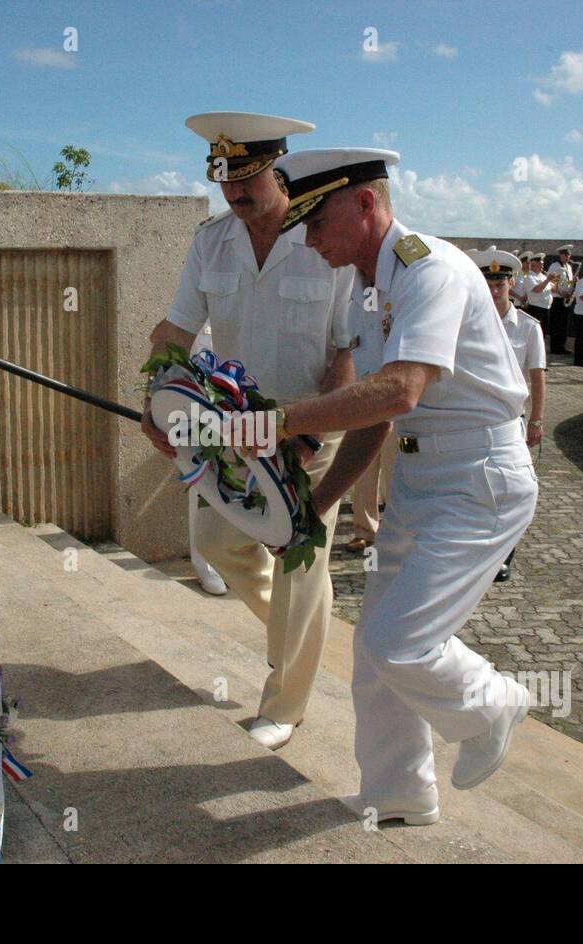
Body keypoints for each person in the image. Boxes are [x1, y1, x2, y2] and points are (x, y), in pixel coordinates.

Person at [245, 147, 538, 823]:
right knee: (373, 654)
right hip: (423, 478)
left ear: (365, 204)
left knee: (399, 643)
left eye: (316, 223)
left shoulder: (430, 271)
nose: (309, 240)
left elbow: (400, 390)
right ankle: (399, 795)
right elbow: (377, 416)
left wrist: (276, 422)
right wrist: (314, 507)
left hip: (478, 480)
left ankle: (493, 704)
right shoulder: (371, 286)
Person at [139, 112, 357, 750]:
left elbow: (347, 349)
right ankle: (297, 635)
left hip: (312, 421)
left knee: (300, 557)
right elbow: (174, 333)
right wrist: (154, 404)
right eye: (225, 180)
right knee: (220, 544)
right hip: (230, 423)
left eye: (248, 178)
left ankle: (285, 704)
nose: (235, 195)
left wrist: (313, 433)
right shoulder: (212, 242)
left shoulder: (324, 239)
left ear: (279, 169)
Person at [469, 247, 546, 584]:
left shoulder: (528, 328)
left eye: (500, 283)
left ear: (511, 283)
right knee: (476, 488)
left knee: (511, 492)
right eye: (488, 282)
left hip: (511, 421)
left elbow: (538, 376)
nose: (494, 289)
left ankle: (503, 557)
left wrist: (538, 420)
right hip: (473, 420)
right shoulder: (469, 323)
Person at [188, 323, 228, 595]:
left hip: (246, 413)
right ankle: (205, 564)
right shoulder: (197, 316)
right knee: (202, 484)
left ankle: (242, 556)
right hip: (204, 412)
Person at [344, 423, 398, 553]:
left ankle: (395, 532)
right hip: (367, 411)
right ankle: (364, 531)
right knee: (363, 473)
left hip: (396, 413)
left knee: (393, 470)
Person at [546, 244, 575, 355]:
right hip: (557, 298)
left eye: (568, 255)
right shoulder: (555, 266)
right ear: (560, 255)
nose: (567, 257)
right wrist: (560, 292)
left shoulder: (569, 267)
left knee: (564, 324)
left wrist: (570, 289)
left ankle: (561, 346)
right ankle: (555, 347)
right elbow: (552, 283)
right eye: (565, 255)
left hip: (566, 298)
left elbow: (567, 282)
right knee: (556, 324)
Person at [518, 252, 553, 331]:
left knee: (543, 332)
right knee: (534, 332)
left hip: (546, 308)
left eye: (542, 264)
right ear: (533, 265)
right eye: (540, 264)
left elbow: (553, 289)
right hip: (536, 308)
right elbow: (537, 289)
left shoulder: (543, 276)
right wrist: (548, 280)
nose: (542, 266)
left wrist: (556, 281)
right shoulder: (529, 277)